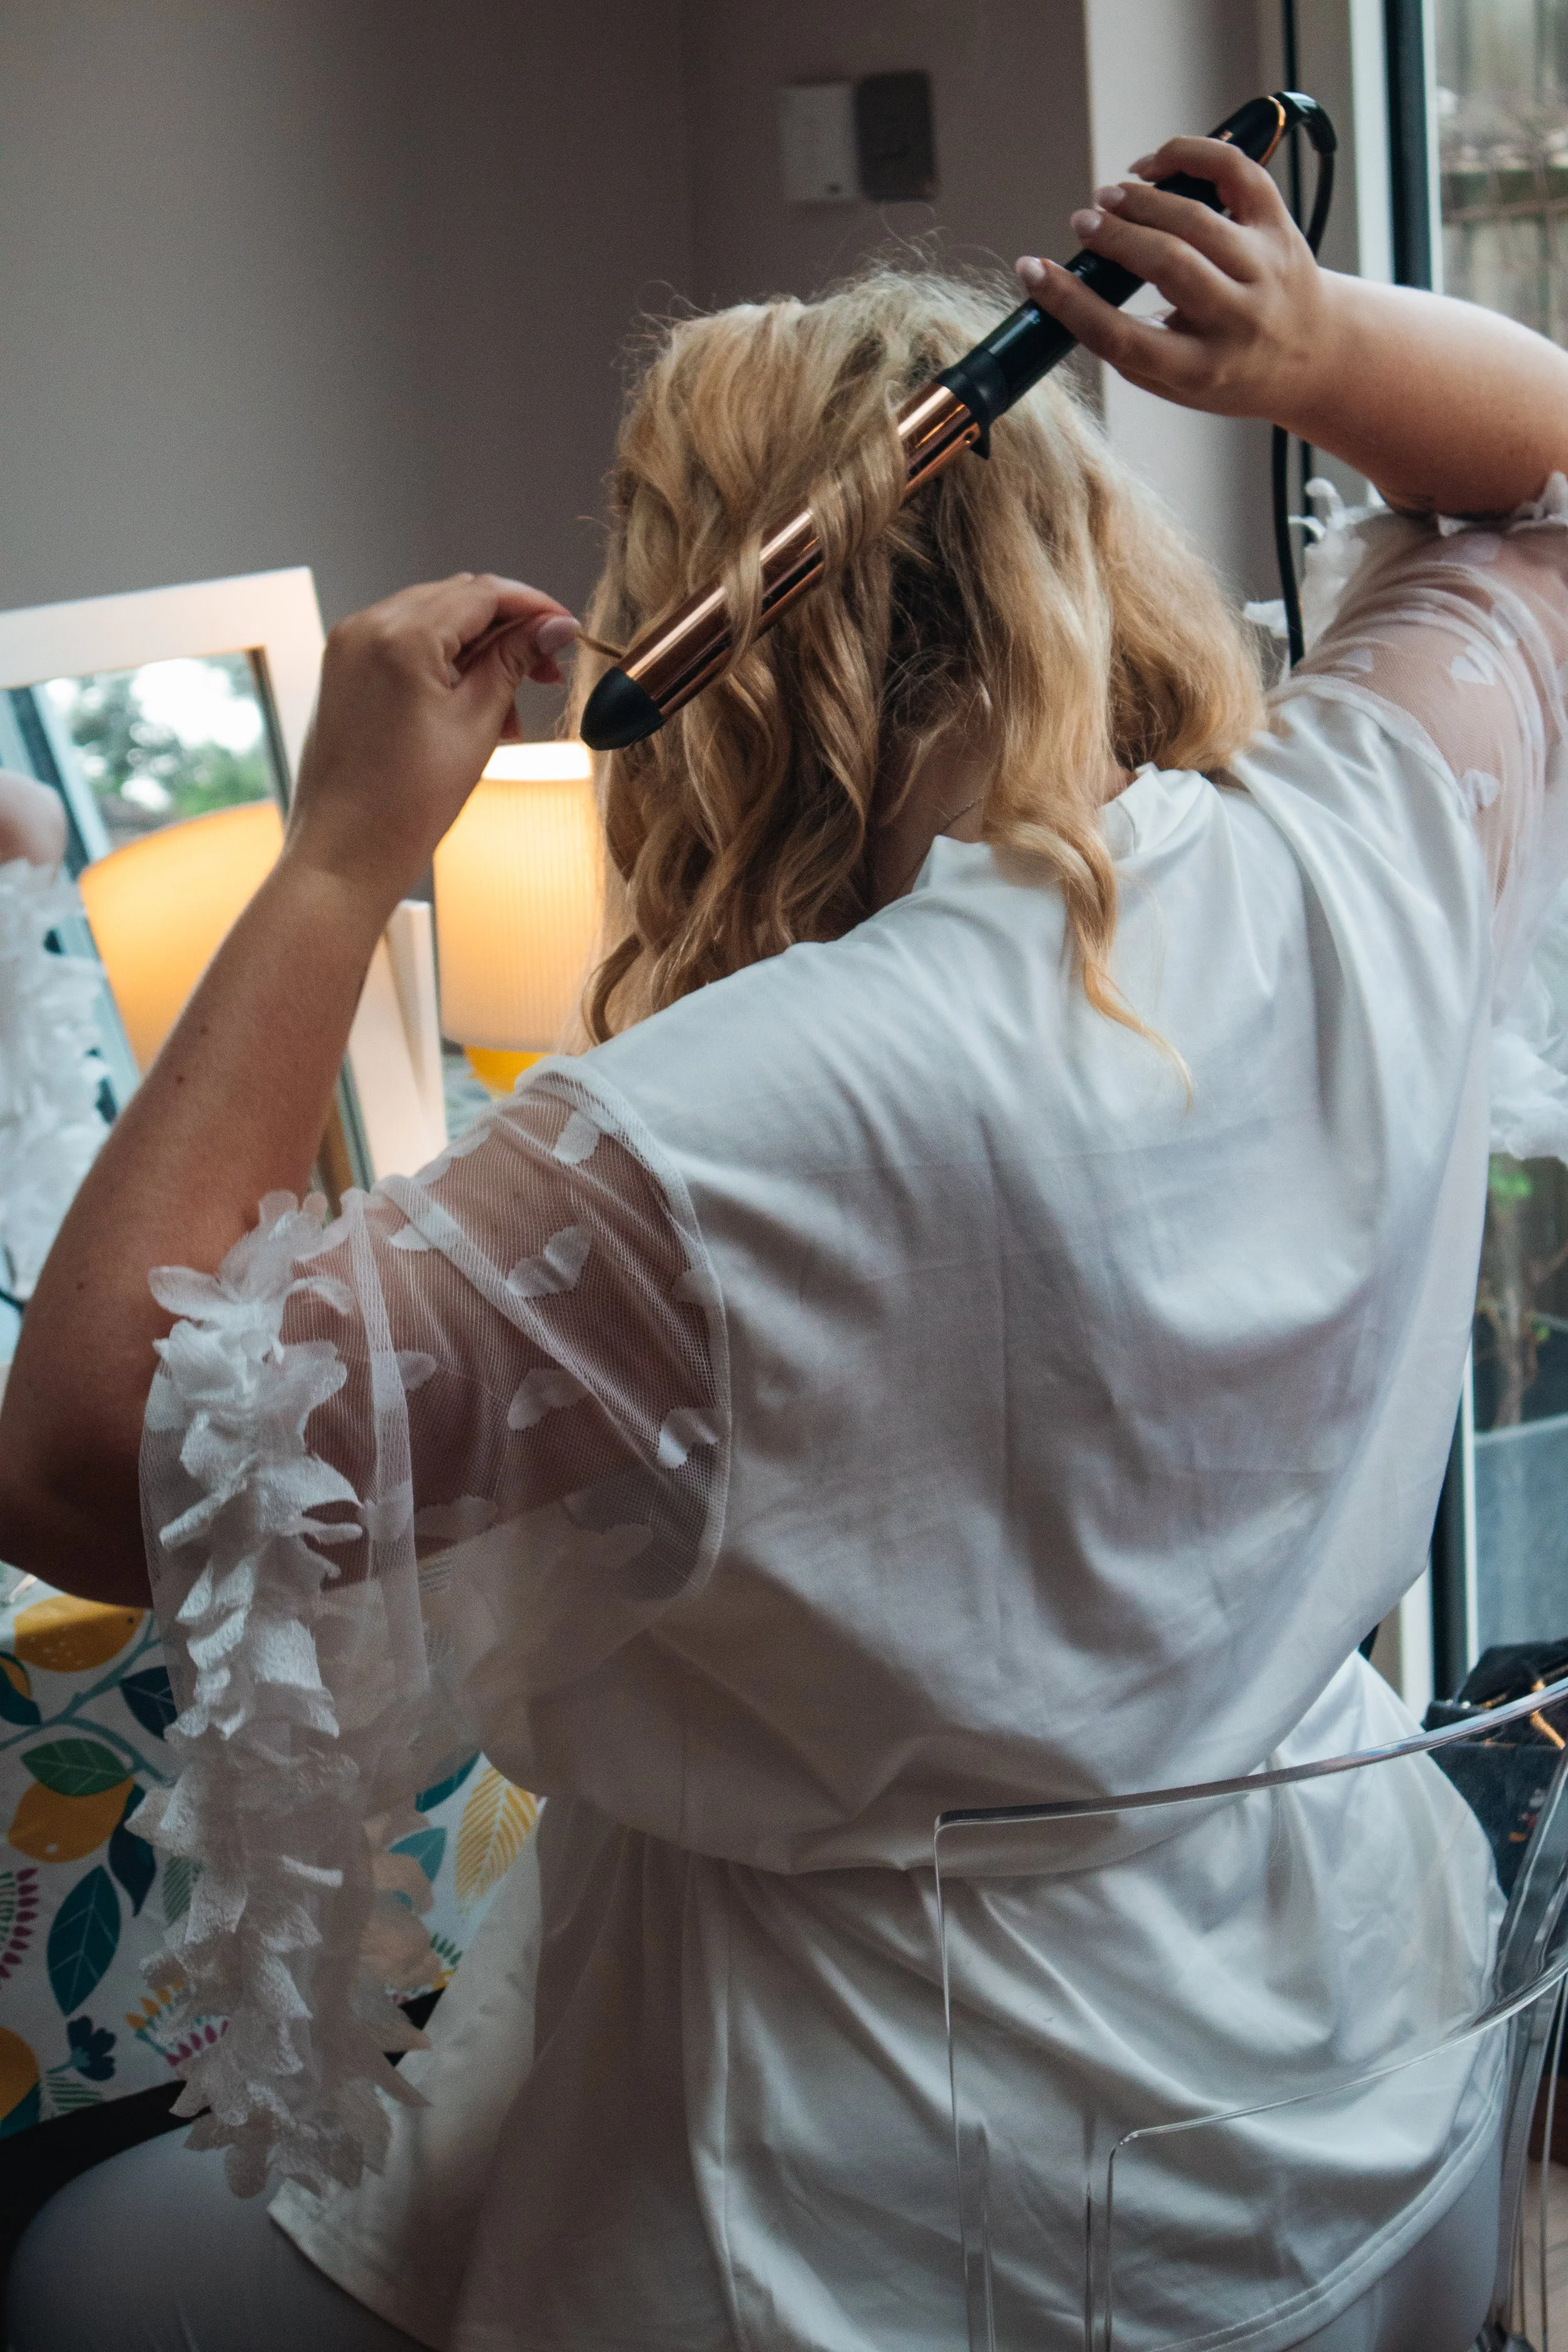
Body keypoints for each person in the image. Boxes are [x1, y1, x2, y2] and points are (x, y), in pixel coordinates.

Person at [3, 134, 1567, 2352]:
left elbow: (82, 1453)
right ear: (1082, 560)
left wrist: (343, 850)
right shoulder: (1355, 847)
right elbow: (1545, 483)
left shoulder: (712, 1143)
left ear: (717, 655)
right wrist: (1315, 352)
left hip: (891, 2188)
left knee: (73, 2266)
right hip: (1330, 2061)